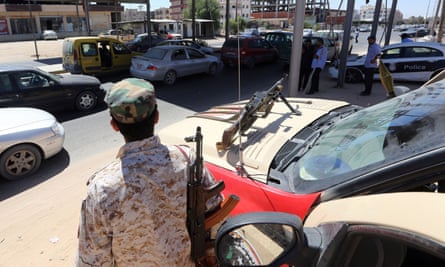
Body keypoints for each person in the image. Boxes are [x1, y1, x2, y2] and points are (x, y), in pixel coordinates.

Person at [76, 78, 222, 266]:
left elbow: (92, 259)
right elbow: (215, 212)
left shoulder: (101, 187)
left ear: (114, 125)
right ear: (156, 117)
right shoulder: (187, 159)